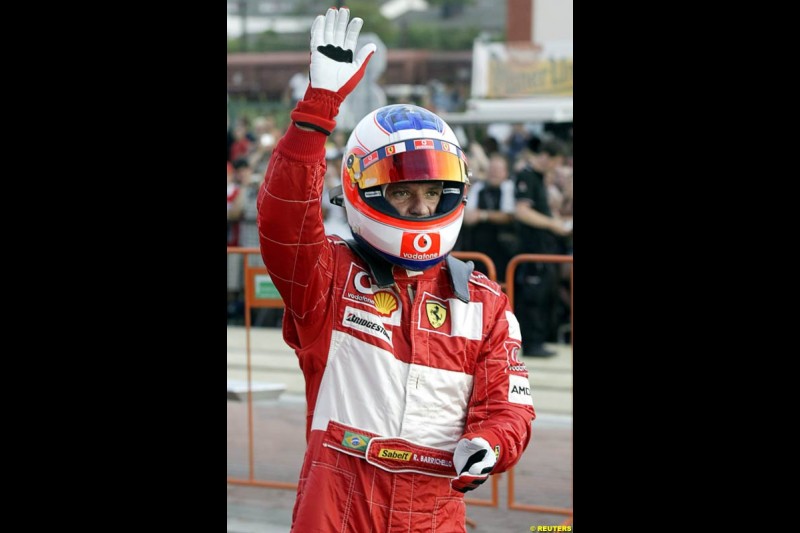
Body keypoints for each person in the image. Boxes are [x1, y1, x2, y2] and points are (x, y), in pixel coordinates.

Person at [256, 8, 535, 532]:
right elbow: (282, 221)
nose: (419, 208)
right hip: (336, 509)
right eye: (403, 192)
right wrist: (318, 109)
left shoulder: (483, 301)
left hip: (435, 513)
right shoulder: (329, 277)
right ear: (364, 193)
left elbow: (510, 406)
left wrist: (490, 443)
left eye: (433, 193)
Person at [512, 137, 572, 357]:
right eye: (555, 162)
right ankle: (531, 343)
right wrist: (552, 224)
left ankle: (538, 341)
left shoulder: (539, 179)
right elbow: (522, 211)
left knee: (545, 295)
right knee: (532, 298)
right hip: (531, 249)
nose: (556, 168)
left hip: (544, 249)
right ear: (546, 156)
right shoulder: (526, 176)